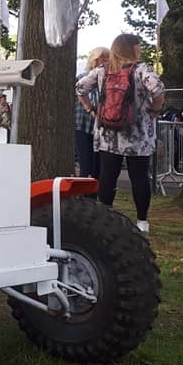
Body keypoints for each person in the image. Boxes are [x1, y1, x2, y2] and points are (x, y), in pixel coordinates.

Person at [75, 33, 165, 233]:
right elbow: (158, 90)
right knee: (139, 177)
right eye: (138, 46)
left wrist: (92, 110)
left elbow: (80, 88)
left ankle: (106, 215)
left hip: (108, 133)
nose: (140, 49)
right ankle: (142, 220)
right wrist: (154, 111)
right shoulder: (141, 70)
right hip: (138, 133)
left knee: (108, 175)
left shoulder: (102, 70)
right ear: (132, 48)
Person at [74, 47, 109, 179]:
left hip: (99, 127)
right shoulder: (83, 77)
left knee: (98, 164)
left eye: (108, 58)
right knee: (85, 163)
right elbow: (79, 94)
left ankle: (94, 194)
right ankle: (84, 194)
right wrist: (90, 109)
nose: (105, 61)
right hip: (82, 124)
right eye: (102, 58)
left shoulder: (108, 78)